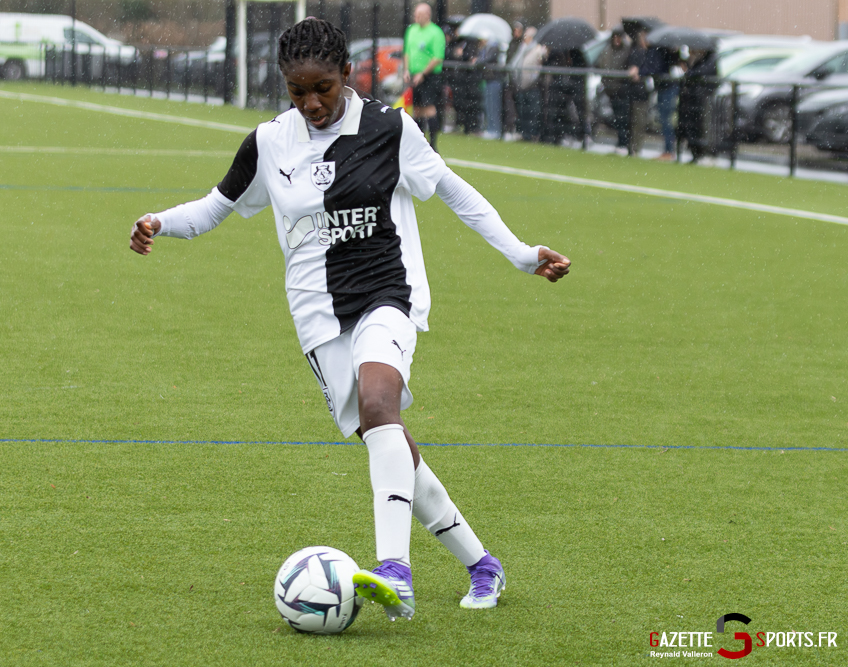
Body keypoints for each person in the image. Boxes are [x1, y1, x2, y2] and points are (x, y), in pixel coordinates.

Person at [129, 18, 571, 622]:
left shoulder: (390, 128)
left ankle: (394, 570)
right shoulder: (269, 143)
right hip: (317, 316)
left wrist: (522, 254)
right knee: (391, 446)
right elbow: (215, 208)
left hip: (389, 291)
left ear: (347, 75)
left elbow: (454, 192)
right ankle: (480, 563)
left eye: (323, 89)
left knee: (380, 403)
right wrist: (158, 220)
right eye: (297, 92)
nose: (311, 103)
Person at [404, 3, 447, 151]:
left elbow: (437, 57)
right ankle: (419, 143)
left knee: (429, 108)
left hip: (430, 77)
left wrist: (423, 73)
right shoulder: (412, 30)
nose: (416, 18)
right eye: (415, 15)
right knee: (416, 109)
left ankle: (433, 144)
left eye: (419, 15)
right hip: (415, 76)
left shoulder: (436, 33)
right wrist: (406, 70)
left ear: (427, 15)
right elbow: (407, 52)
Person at [677, 49, 718, 163]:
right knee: (691, 127)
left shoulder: (710, 60)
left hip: (702, 99)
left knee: (702, 127)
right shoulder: (698, 61)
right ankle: (695, 152)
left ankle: (704, 152)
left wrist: (689, 71)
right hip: (693, 99)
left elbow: (699, 73)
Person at [595, 27, 632, 155]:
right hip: (610, 90)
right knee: (617, 118)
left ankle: (624, 143)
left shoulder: (627, 51)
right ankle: (621, 142)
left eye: (619, 37)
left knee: (623, 118)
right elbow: (600, 64)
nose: (616, 40)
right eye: (615, 37)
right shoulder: (607, 51)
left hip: (621, 89)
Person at [510, 27, 547, 142]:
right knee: (522, 111)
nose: (525, 38)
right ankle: (524, 133)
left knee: (532, 111)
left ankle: (532, 134)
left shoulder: (537, 48)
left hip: (532, 86)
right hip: (520, 85)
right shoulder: (522, 48)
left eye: (527, 36)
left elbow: (541, 62)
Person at [625, 29, 651, 157]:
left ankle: (636, 147)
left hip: (644, 93)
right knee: (635, 121)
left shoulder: (649, 53)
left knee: (640, 121)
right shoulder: (636, 52)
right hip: (636, 92)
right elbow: (633, 71)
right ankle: (633, 147)